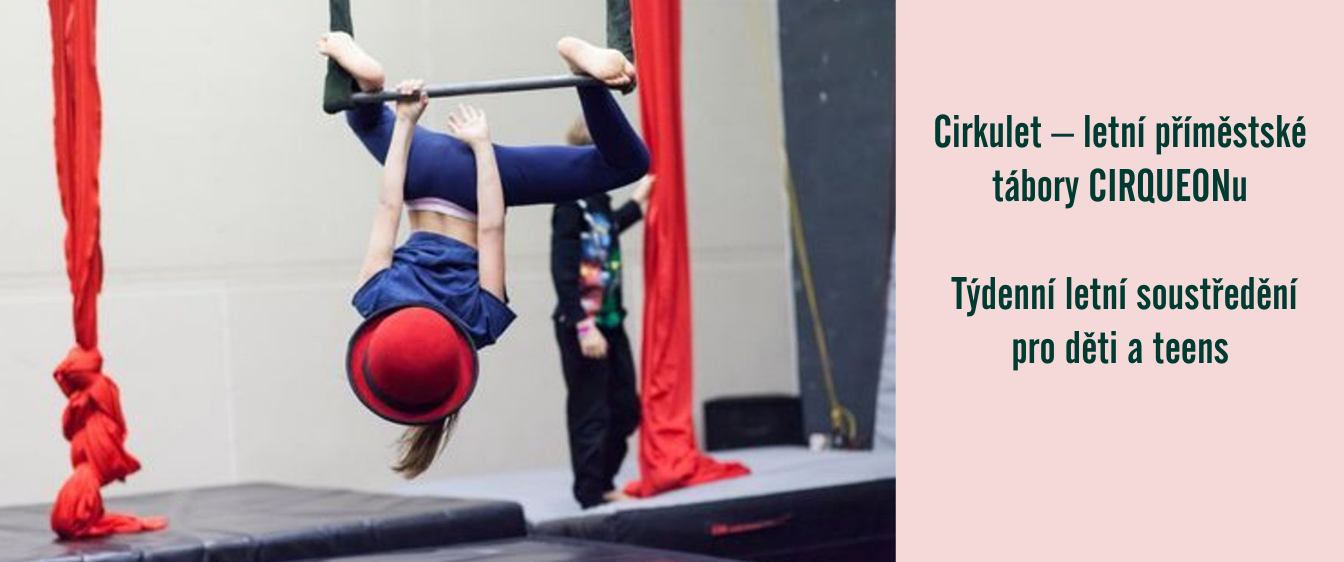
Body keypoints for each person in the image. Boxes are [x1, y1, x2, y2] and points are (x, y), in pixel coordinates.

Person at [321, 33, 650, 478]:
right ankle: (369, 85)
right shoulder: (373, 298)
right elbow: (388, 206)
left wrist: (481, 148)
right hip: (418, 165)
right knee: (362, 116)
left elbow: (492, 226)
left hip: (483, 182)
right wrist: (404, 124)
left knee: (627, 164)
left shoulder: (480, 323)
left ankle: (585, 80)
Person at [551, 118, 653, 507]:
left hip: (611, 322)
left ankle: (604, 480)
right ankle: (591, 492)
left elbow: (608, 229)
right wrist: (582, 325)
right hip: (583, 325)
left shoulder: (599, 201)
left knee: (626, 408)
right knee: (590, 410)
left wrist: (638, 202)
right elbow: (562, 271)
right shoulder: (570, 204)